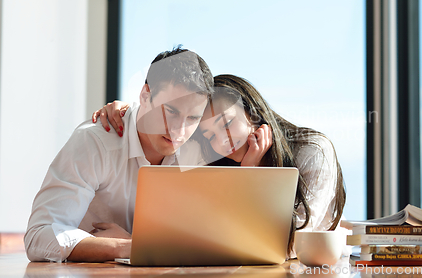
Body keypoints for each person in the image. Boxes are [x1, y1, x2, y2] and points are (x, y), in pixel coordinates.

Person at [95, 74, 346, 257]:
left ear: (253, 113)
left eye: (226, 123)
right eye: (210, 135)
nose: (222, 142)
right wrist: (125, 113)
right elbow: (203, 237)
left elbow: (295, 243)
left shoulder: (313, 150)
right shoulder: (217, 163)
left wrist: (252, 176)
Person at [25, 47, 214, 262]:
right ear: (145, 95)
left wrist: (135, 243)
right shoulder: (96, 142)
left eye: (192, 119)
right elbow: (39, 237)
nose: (178, 132)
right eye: (170, 111)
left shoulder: (197, 153)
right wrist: (125, 248)